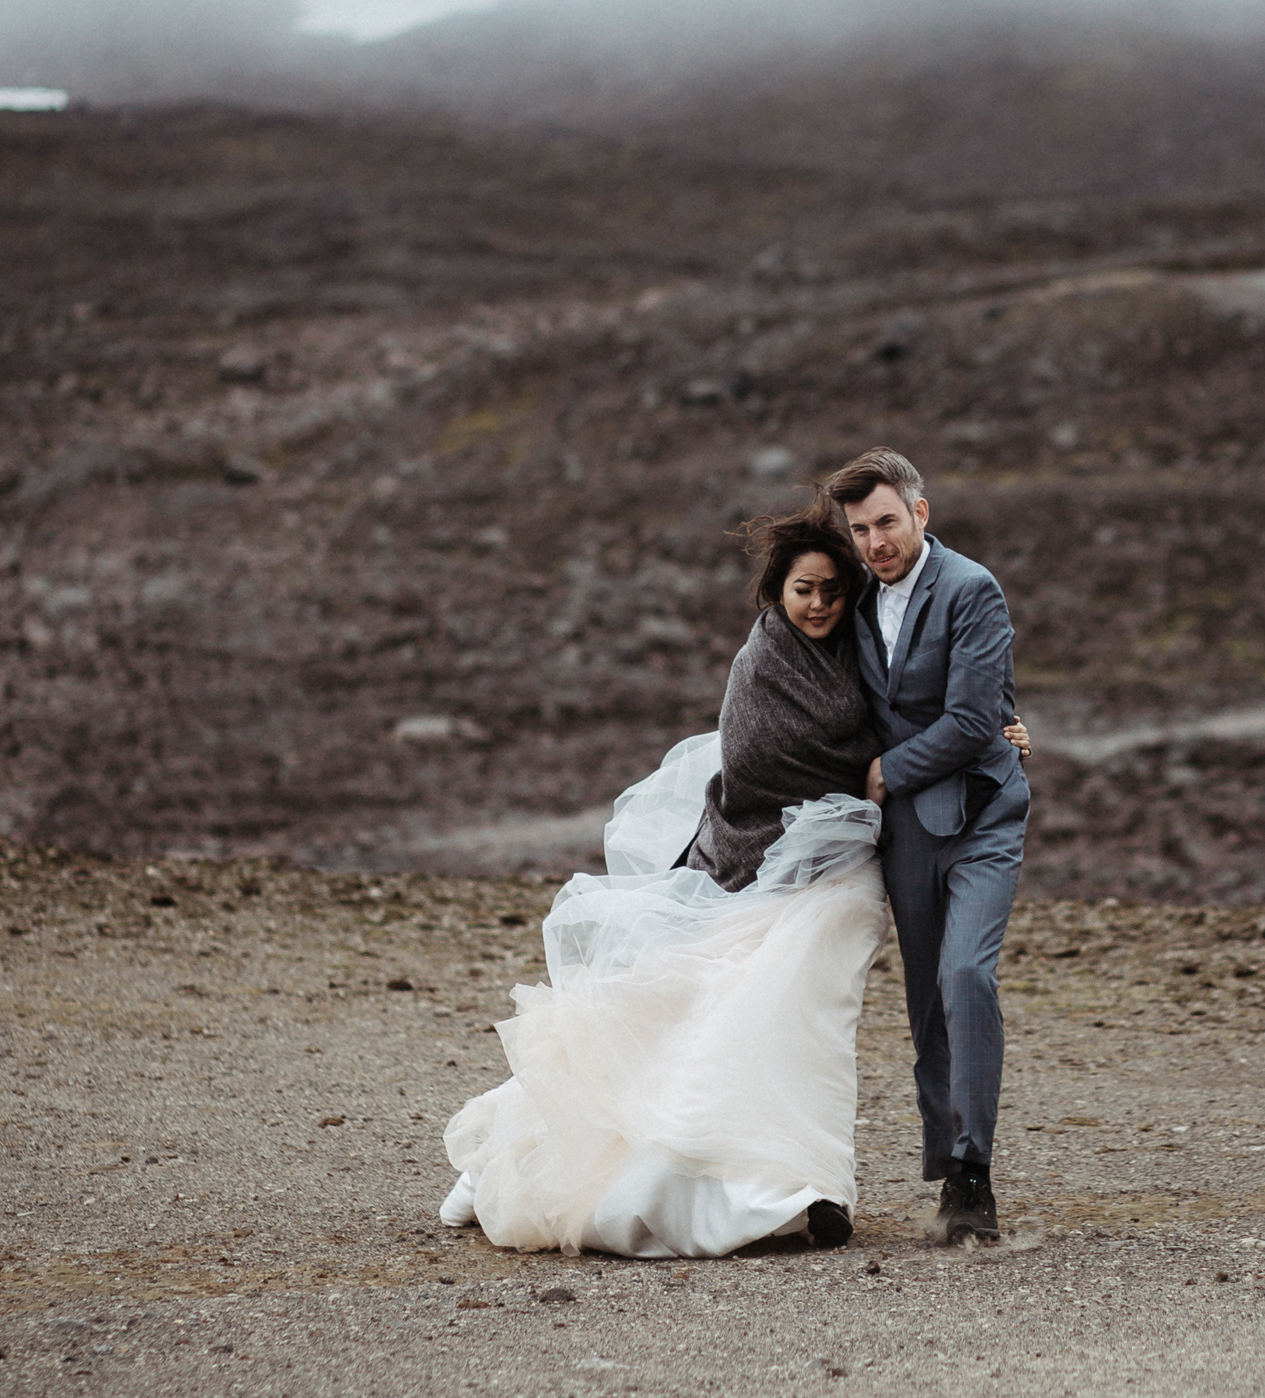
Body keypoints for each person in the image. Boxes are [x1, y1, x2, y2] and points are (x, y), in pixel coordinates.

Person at [436, 496, 1031, 1257]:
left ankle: (810, 1182)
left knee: (817, 1013)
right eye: (802, 590)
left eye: (830, 589)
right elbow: (756, 770)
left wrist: (996, 722)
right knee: (738, 1005)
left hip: (848, 865)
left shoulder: (862, 638)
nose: (818, 603)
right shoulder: (762, 665)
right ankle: (754, 1186)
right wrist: (878, 771)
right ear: (777, 594)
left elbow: (926, 695)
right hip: (770, 860)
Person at [829, 448, 1029, 1244]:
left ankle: (976, 1175)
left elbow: (975, 719)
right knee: (925, 1006)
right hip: (907, 832)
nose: (876, 540)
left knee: (965, 974)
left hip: (981, 815)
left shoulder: (972, 588)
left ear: (921, 511)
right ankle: (947, 1169)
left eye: (886, 520)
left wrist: (884, 769)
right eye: (860, 529)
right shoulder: (849, 603)